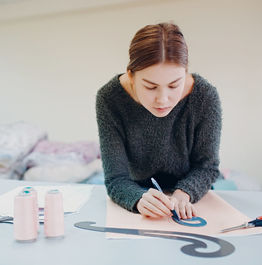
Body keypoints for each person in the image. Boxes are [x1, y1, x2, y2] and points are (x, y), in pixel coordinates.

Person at [95, 22, 222, 220]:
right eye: (150, 87)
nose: (163, 99)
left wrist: (184, 193)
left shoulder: (205, 96)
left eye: (174, 85)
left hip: (190, 197)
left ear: (185, 73)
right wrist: (137, 198)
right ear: (131, 76)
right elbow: (115, 178)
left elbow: (207, 167)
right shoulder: (109, 98)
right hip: (138, 193)